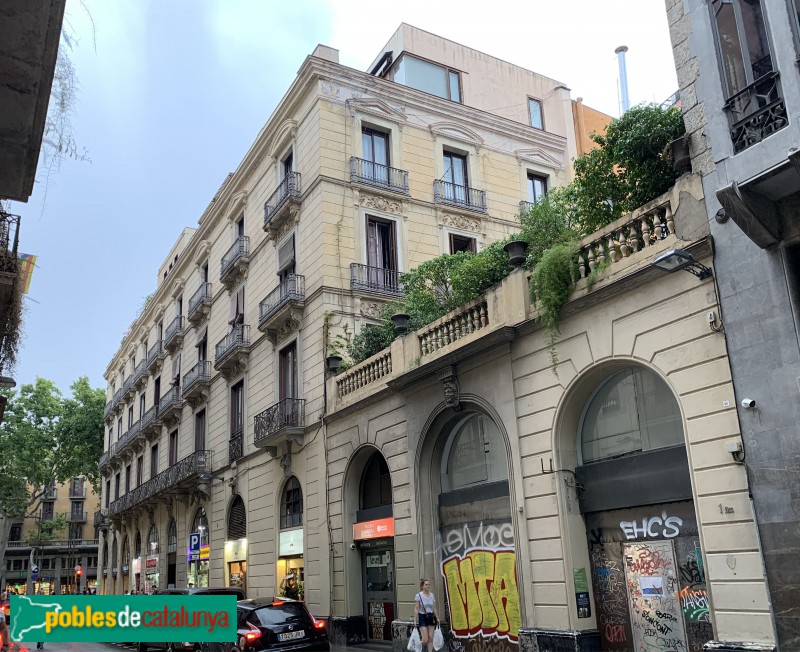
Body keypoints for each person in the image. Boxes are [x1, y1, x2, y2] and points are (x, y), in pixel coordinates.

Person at [414, 579, 440, 652]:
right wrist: (415, 620)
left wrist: (437, 618)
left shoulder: (432, 595)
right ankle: (416, 645)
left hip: (431, 617)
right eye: (426, 585)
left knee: (430, 638)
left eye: (429, 584)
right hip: (422, 617)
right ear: (422, 586)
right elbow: (416, 608)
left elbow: (434, 608)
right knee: (425, 640)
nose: (428, 586)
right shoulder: (418, 595)